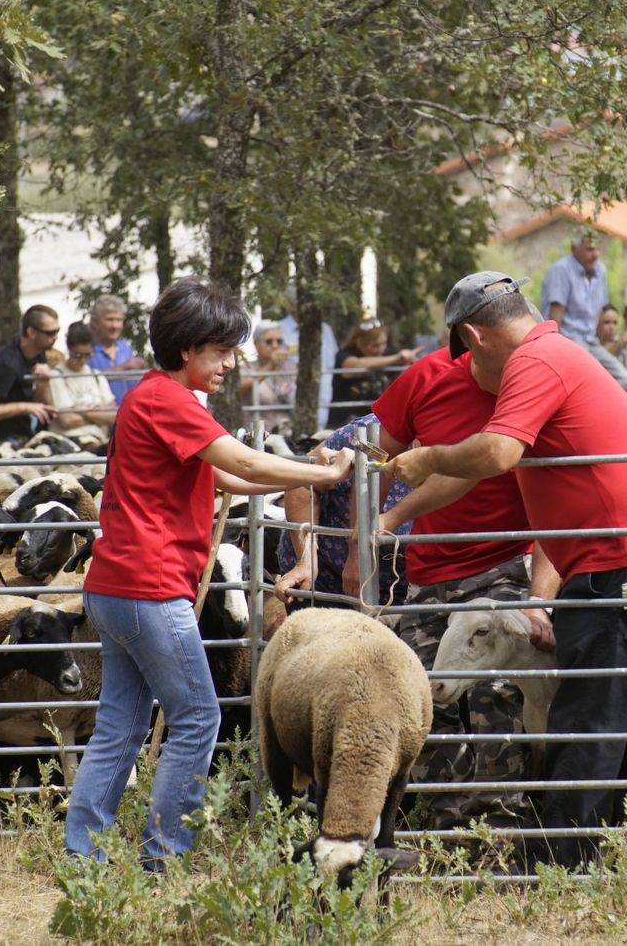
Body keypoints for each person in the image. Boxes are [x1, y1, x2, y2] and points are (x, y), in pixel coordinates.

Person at [389, 270, 627, 868]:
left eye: (469, 359)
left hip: (619, 567)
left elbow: (494, 452)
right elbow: (477, 470)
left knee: (588, 719)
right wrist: (394, 516)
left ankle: (557, 866)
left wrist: (425, 455)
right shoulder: (557, 355)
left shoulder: (535, 363)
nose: (474, 377)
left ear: (473, 336)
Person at [65, 277, 353, 873]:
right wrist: (324, 477)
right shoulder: (167, 401)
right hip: (150, 588)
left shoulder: (147, 397)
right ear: (188, 347)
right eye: (222, 351)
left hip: (114, 586)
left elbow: (232, 479)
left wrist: (302, 471)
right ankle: (163, 858)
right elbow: (243, 460)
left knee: (121, 722)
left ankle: (84, 857)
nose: (230, 363)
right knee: (198, 717)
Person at [370, 341, 561, 831]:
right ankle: (440, 819)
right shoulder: (424, 376)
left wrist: (539, 602)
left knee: (497, 693)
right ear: (477, 335)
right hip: (429, 570)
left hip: (502, 564)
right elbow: (372, 457)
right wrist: (361, 545)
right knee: (423, 695)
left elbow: (552, 501)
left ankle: (500, 821)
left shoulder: (531, 384)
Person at [272, 413, 413, 608]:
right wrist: (306, 561)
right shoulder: (362, 434)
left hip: (401, 584)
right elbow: (302, 484)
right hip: (326, 576)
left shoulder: (457, 441)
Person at [539, 233, 627, 399]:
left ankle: (599, 416)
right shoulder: (561, 270)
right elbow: (554, 316)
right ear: (574, 249)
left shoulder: (601, 270)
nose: (596, 254)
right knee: (584, 383)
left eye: (597, 249)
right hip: (568, 340)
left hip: (591, 341)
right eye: (590, 249)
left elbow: (601, 311)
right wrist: (553, 350)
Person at [0, 305, 59, 444]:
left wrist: (42, 384)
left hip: (25, 436)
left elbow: (36, 405)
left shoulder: (39, 355)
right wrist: (24, 407)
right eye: (50, 333)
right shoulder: (7, 364)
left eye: (57, 331)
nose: (56, 337)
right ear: (31, 332)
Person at [327, 316, 418, 428]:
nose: (381, 349)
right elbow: (355, 365)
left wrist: (410, 361)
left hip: (381, 421)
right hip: (346, 422)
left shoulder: (389, 353)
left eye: (384, 343)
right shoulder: (345, 355)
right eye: (375, 346)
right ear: (359, 342)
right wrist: (397, 359)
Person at [46, 321, 119, 442]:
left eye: (87, 355)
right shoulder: (56, 376)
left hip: (98, 440)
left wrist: (79, 409)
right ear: (69, 350)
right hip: (67, 441)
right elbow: (67, 420)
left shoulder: (97, 375)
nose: (82, 360)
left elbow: (114, 417)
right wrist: (98, 414)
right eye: (77, 355)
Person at [278, 290, 338, 427]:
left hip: (325, 396)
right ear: (291, 305)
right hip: (289, 397)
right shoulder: (278, 329)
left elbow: (333, 362)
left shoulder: (325, 329)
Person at [87, 294, 148, 406]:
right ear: (95, 322)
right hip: (103, 418)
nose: (115, 326)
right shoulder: (87, 351)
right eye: (109, 320)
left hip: (130, 416)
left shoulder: (125, 347)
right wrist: (123, 367)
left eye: (119, 320)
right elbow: (86, 382)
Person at [239, 321, 295, 428]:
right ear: (256, 344)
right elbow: (241, 388)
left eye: (279, 341)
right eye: (269, 342)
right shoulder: (247, 368)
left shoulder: (290, 366)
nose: (275, 346)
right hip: (258, 431)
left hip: (287, 429)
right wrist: (270, 365)